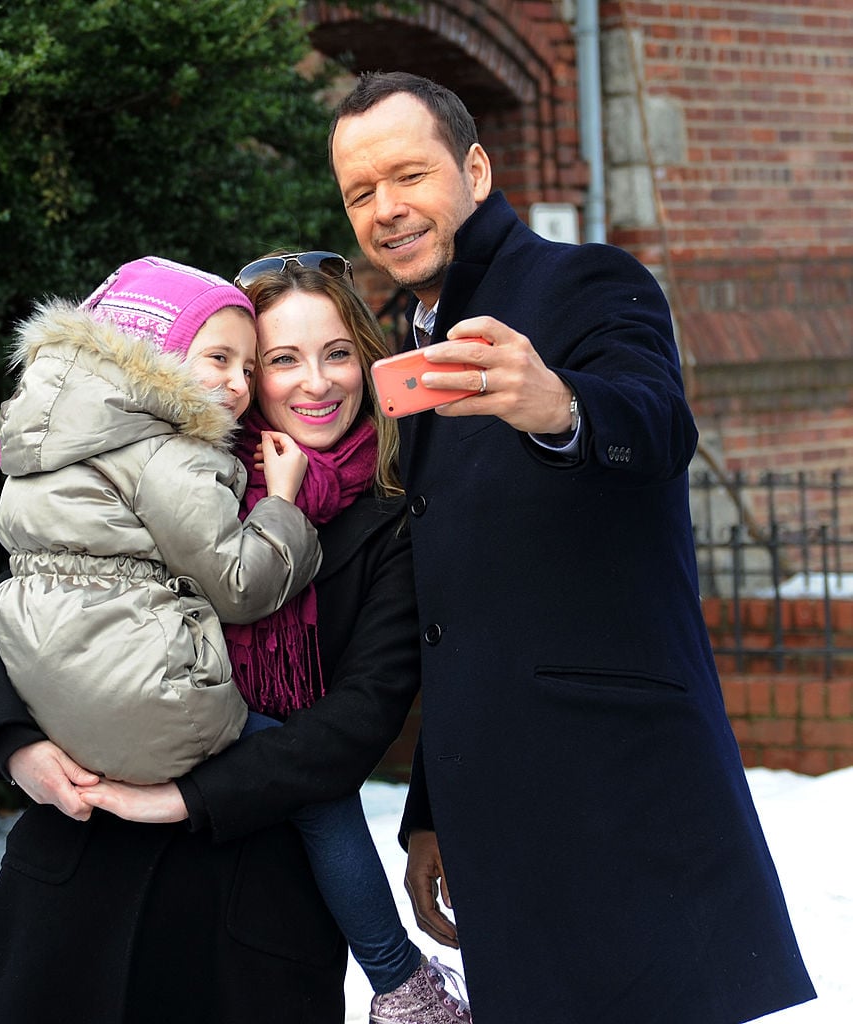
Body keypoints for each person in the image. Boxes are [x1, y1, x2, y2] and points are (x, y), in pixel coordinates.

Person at [327, 71, 817, 1024]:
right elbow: (455, 610)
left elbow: (658, 423)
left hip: (618, 791)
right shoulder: (407, 343)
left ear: (474, 168)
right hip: (498, 813)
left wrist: (558, 407)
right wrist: (431, 806)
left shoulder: (589, 279)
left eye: (408, 175)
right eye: (360, 191)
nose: (386, 209)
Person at [0, 255, 463, 1023]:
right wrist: (17, 743)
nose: (314, 383)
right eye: (280, 360)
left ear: (367, 362)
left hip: (250, 903)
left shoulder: (392, 522)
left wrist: (184, 797)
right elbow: (17, 607)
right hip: (80, 875)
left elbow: (357, 721)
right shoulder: (171, 461)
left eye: (338, 353)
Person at [0, 254, 318, 785]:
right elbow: (239, 587)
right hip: (164, 707)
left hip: (49, 698)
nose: (238, 383)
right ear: (154, 360)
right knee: (315, 790)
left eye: (250, 368)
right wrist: (281, 502)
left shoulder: (47, 440)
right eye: (219, 358)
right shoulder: (168, 453)